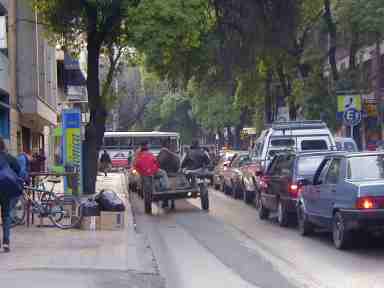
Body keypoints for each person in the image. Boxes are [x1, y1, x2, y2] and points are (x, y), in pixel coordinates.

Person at [0, 137, 21, 253]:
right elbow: (18, 169)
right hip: (5, 190)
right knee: (6, 215)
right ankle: (6, 242)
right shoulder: (8, 158)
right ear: (3, 146)